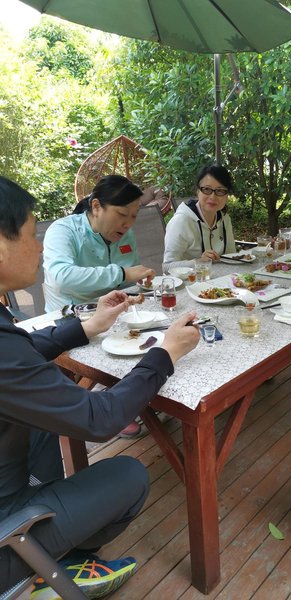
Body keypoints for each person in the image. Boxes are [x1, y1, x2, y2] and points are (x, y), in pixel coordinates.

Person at [0, 176, 200, 597]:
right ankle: (41, 570)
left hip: (9, 480)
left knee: (43, 424)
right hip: (3, 533)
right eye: (31, 235)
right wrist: (165, 354)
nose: (39, 247)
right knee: (129, 474)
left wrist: (87, 327)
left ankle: (51, 540)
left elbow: (21, 350)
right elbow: (100, 418)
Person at [43, 174, 156, 312]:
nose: (128, 224)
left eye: (134, 216)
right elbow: (61, 278)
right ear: (96, 206)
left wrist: (139, 278)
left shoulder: (125, 234)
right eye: (122, 214)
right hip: (72, 315)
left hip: (116, 310)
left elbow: (130, 275)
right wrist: (122, 274)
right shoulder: (64, 230)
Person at [163, 164, 236, 268]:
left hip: (220, 276)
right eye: (207, 189)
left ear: (227, 195)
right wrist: (198, 262)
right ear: (197, 191)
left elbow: (231, 255)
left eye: (220, 191)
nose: (212, 197)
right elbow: (167, 266)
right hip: (188, 278)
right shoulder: (181, 221)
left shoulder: (225, 219)